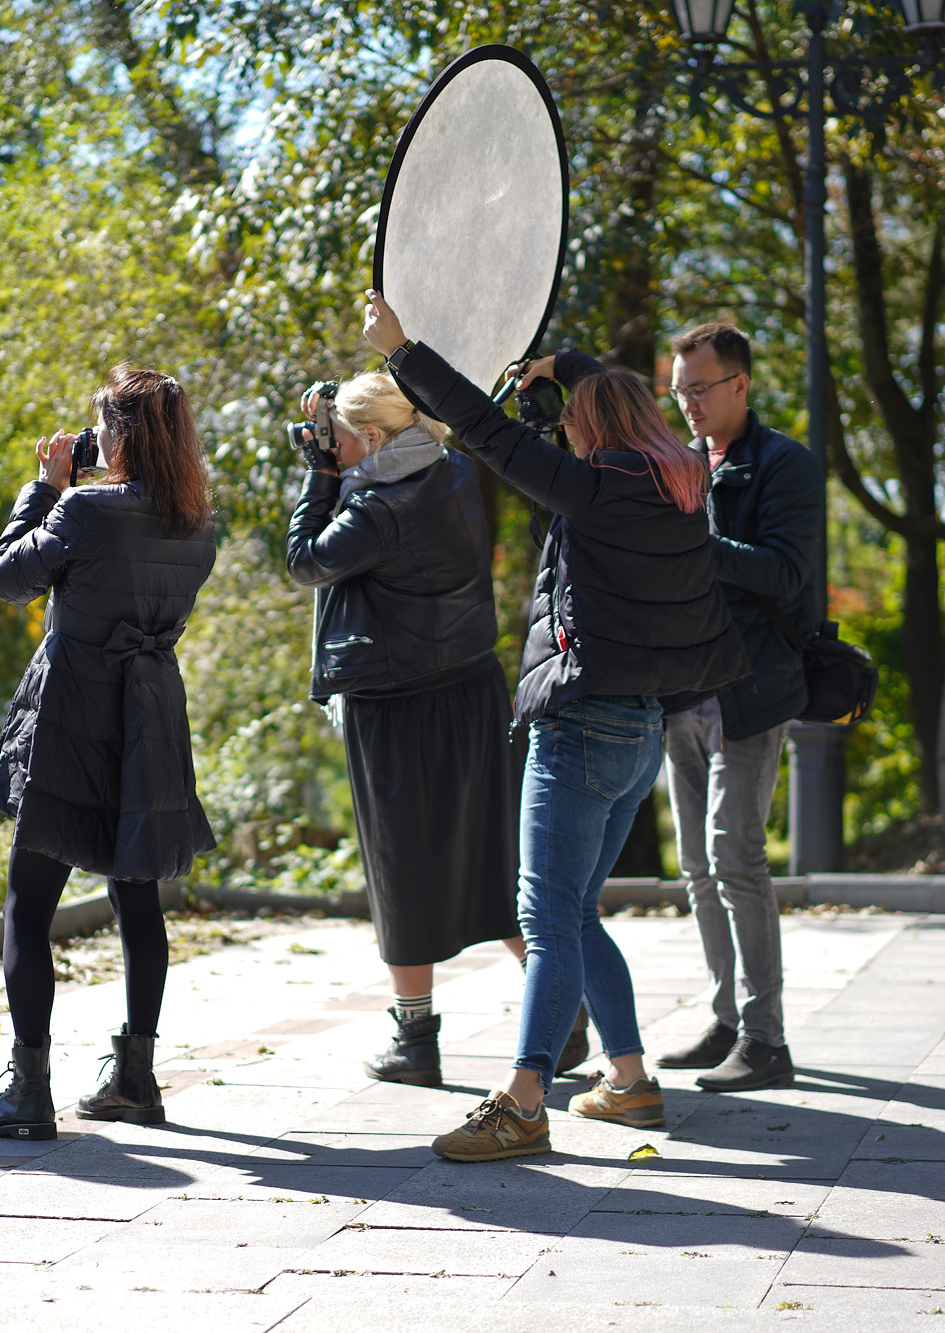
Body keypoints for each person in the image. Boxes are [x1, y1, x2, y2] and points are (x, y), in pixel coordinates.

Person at [361, 292, 750, 1162]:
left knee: (545, 917)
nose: (562, 439)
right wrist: (565, 369)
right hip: (639, 731)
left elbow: (486, 433)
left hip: (579, 728)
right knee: (575, 910)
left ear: (588, 433)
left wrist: (404, 352)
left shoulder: (596, 488)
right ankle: (631, 1081)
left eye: (570, 425)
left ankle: (524, 1099)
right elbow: (604, 404)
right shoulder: (680, 479)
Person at [284, 372, 559, 1089]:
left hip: (394, 699)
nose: (331, 448)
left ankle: (415, 1037)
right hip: (471, 685)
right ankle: (569, 1007)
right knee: (497, 857)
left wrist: (317, 476)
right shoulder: (455, 469)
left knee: (400, 864)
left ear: (372, 439)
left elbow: (306, 560)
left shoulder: (375, 510)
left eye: (340, 439)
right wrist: (338, 460)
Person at [0, 367, 218, 1141]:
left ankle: (29, 1088)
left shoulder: (84, 507)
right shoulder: (197, 522)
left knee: (29, 904)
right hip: (149, 713)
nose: (95, 440)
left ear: (123, 436)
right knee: (136, 897)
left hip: (76, 712)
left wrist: (43, 487)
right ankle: (137, 1080)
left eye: (102, 428)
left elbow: (8, 578)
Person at [654, 322, 824, 1094]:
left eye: (699, 388)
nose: (687, 403)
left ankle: (766, 1038)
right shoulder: (683, 464)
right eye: (678, 390)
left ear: (740, 385)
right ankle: (727, 1019)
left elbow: (787, 574)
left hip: (751, 689)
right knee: (695, 864)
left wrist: (690, 539)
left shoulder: (781, 465)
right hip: (683, 689)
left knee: (736, 857)